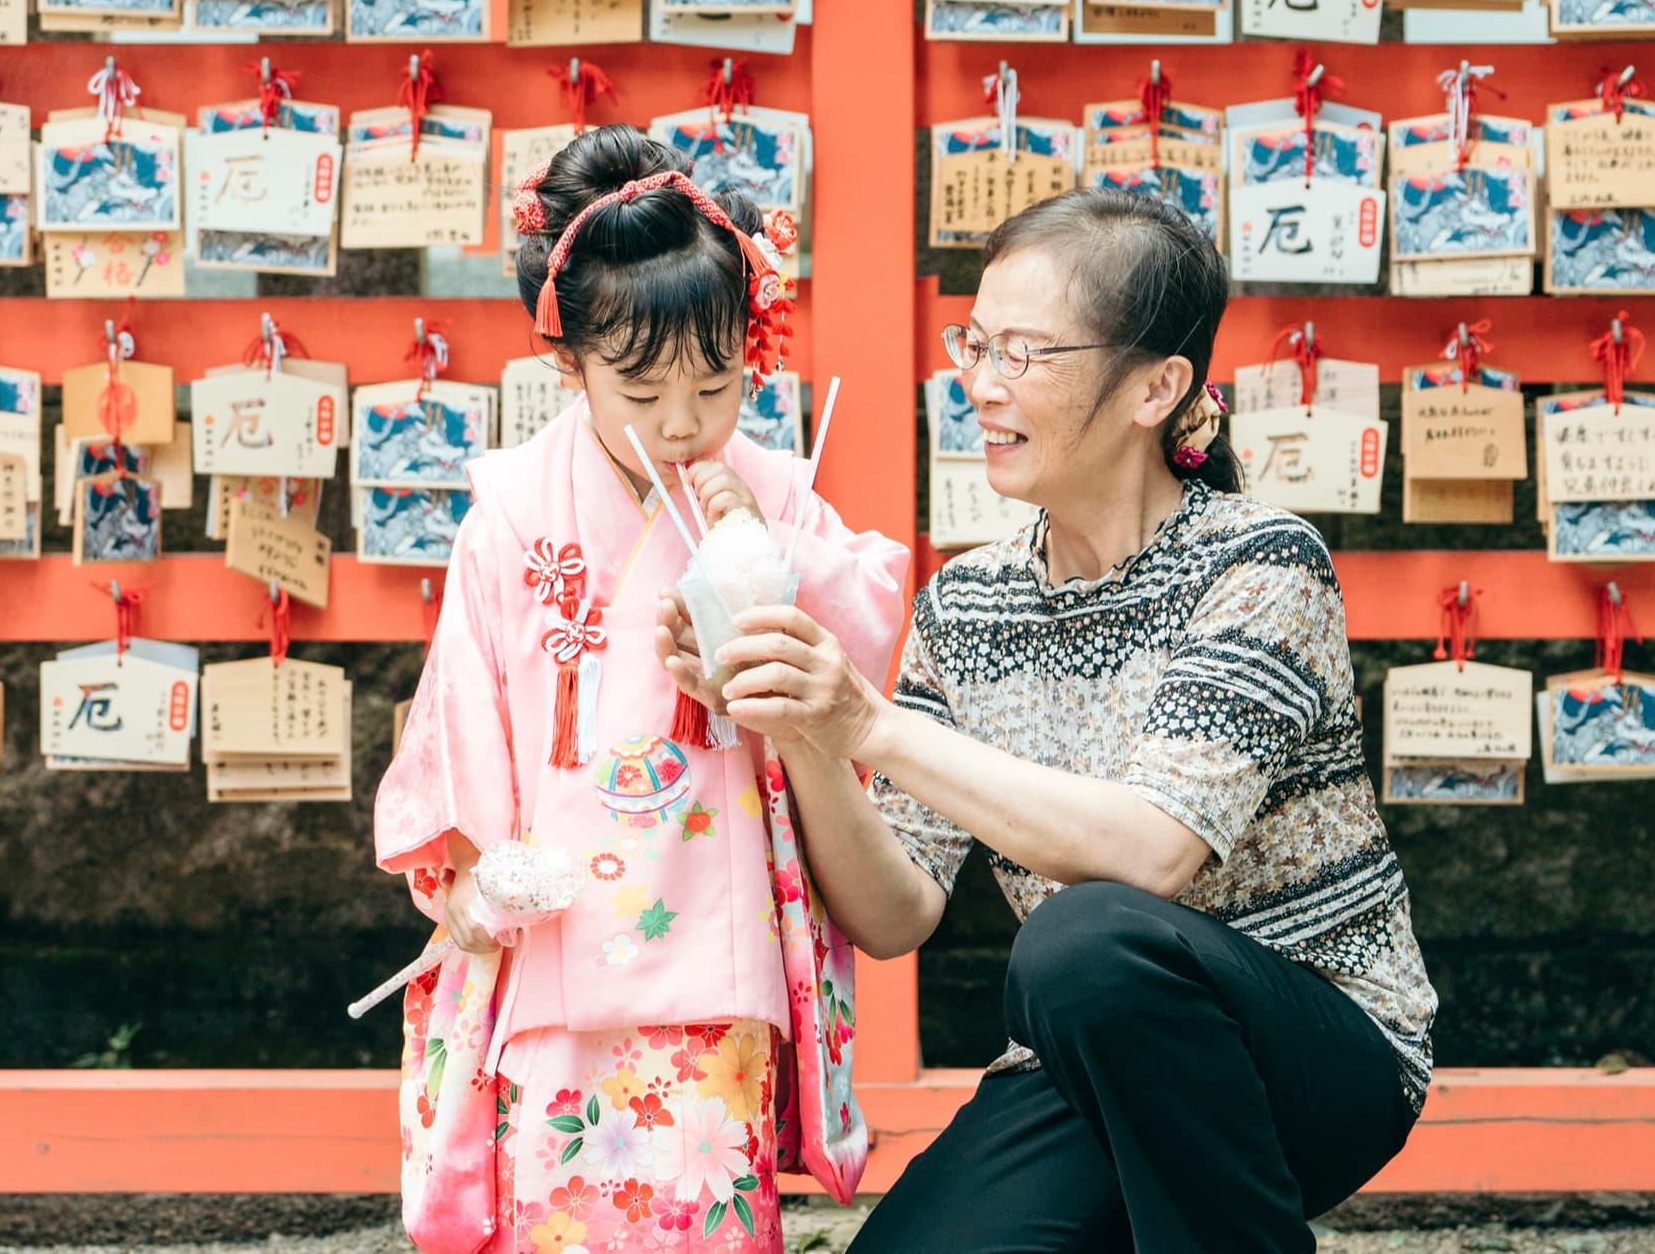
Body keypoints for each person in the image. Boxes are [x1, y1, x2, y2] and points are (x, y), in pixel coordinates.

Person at [666, 189, 1438, 1253]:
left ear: (1157, 388)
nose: (979, 384)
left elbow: (1150, 851)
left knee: (1081, 937)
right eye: (976, 343)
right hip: (1089, 1055)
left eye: (1025, 353)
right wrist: (800, 723)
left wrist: (870, 724)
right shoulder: (967, 605)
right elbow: (895, 917)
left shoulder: (1261, 563)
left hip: (1320, 1050)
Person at [375, 125, 909, 1254]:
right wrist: (468, 874)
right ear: (565, 359)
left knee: (702, 1202)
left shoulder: (767, 485)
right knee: (558, 1211)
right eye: (642, 387)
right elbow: (459, 711)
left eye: (715, 383)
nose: (681, 422)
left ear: (749, 353)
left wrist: (779, 554)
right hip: (557, 925)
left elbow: (865, 636)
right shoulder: (514, 510)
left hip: (714, 941)